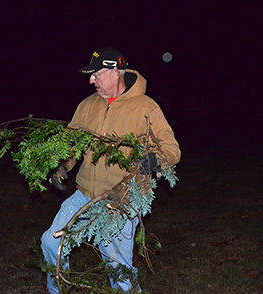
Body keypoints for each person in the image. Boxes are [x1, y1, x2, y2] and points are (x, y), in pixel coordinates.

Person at [41, 47, 181, 293]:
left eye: (96, 74)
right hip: (85, 193)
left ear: (115, 73)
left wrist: (155, 160)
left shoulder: (145, 107)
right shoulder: (87, 106)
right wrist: (63, 165)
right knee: (52, 242)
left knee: (118, 269)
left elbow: (171, 148)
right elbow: (73, 144)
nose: (90, 80)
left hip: (121, 198)